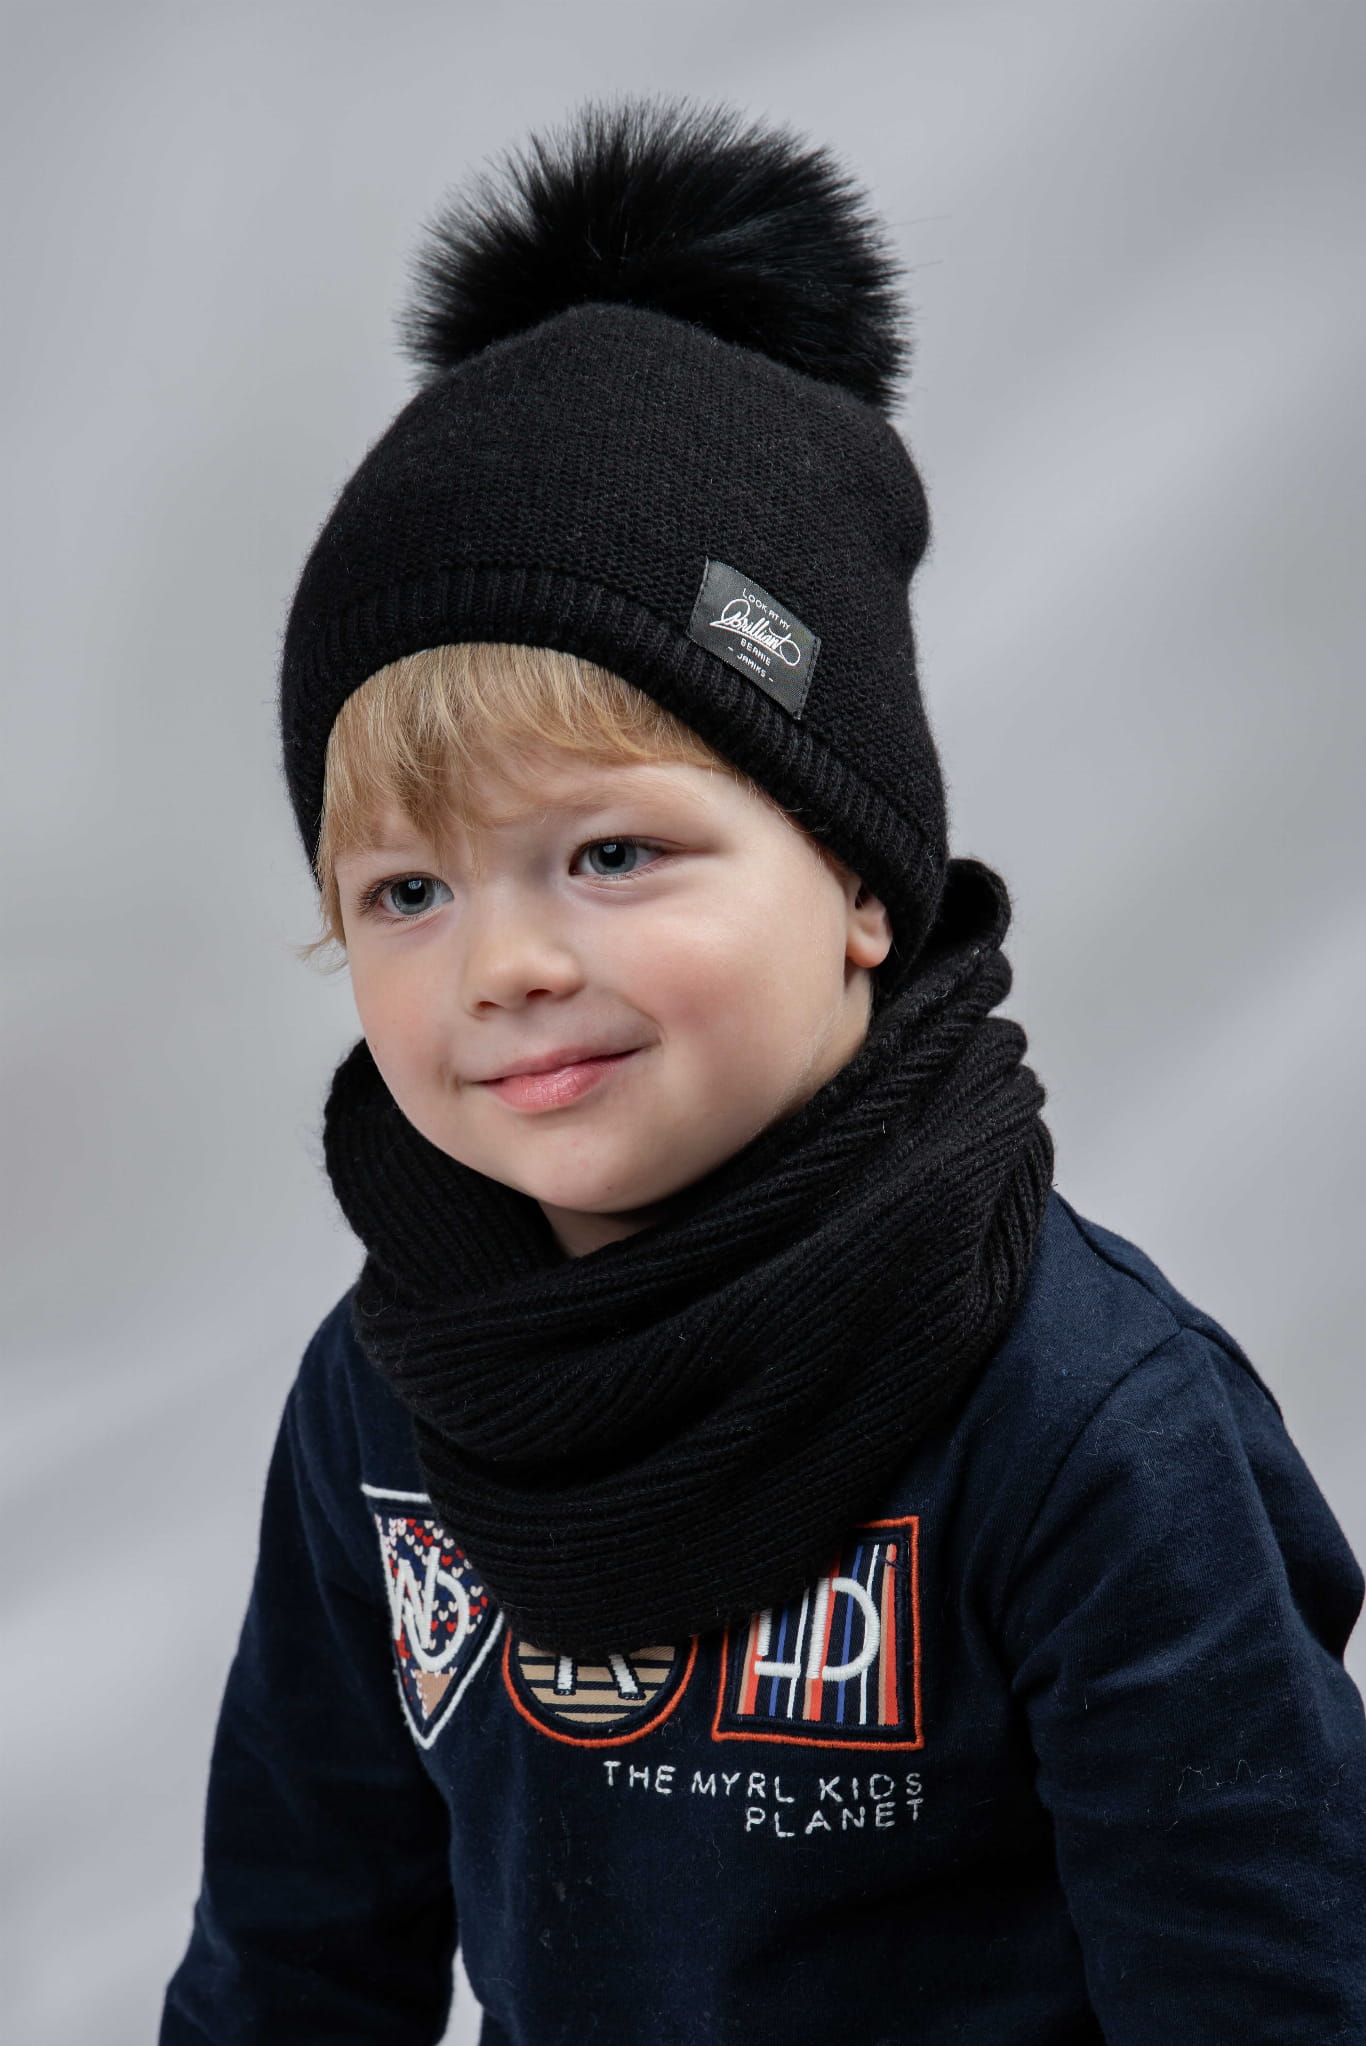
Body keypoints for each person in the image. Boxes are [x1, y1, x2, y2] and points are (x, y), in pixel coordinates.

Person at [161, 102, 1366, 2044]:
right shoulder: (387, 1398)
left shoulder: (1079, 1419)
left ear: (858, 883)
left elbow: (1262, 1991)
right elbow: (292, 1958)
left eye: (612, 850)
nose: (504, 962)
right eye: (406, 890)